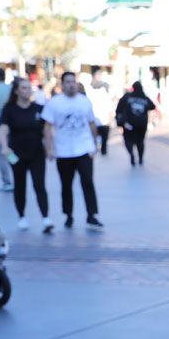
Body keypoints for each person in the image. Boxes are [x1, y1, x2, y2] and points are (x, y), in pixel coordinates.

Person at [42, 72, 103, 230]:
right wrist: (50, 148)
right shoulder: (55, 103)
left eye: (73, 82)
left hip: (84, 148)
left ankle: (92, 215)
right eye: (68, 82)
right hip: (63, 151)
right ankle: (68, 214)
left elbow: (91, 124)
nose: (71, 85)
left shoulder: (84, 102)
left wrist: (95, 145)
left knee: (88, 181)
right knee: (66, 185)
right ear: (62, 84)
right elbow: (47, 127)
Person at [0, 77, 52, 233]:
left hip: (37, 154)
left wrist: (50, 148)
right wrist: (4, 147)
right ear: (16, 91)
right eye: (24, 88)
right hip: (17, 155)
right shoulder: (9, 110)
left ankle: (46, 218)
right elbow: (3, 129)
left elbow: (47, 130)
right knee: (20, 187)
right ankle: (21, 216)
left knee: (39, 185)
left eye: (29, 88)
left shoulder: (39, 108)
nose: (28, 90)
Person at [115, 82, 156, 166]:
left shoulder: (128, 97)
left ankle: (132, 155)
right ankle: (140, 158)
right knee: (140, 142)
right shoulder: (144, 98)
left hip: (129, 124)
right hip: (141, 124)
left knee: (128, 141)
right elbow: (152, 106)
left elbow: (119, 108)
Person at [87, 70, 112, 155]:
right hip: (97, 118)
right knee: (100, 136)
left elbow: (109, 105)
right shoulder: (91, 91)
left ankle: (101, 149)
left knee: (102, 136)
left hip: (102, 118)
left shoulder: (103, 91)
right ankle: (100, 149)